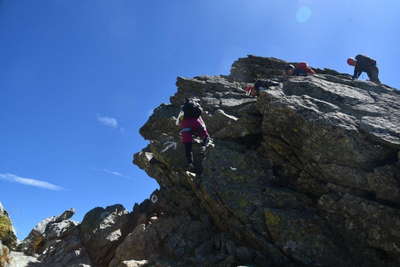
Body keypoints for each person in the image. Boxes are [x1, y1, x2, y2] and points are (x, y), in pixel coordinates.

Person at [179, 98, 210, 171]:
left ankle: (190, 163)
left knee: (187, 146)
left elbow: (179, 120)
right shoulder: (194, 108)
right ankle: (204, 145)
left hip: (185, 125)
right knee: (204, 134)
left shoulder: (183, 110)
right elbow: (202, 127)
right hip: (194, 122)